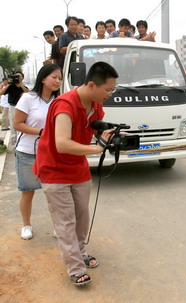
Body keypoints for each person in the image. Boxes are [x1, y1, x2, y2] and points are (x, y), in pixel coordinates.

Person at [33, 62, 118, 286]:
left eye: (113, 90)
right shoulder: (65, 104)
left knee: (82, 215)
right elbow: (61, 144)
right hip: (53, 169)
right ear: (91, 84)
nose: (110, 94)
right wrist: (97, 149)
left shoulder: (96, 104)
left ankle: (80, 251)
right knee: (65, 221)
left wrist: (113, 135)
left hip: (77, 167)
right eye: (108, 89)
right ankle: (74, 267)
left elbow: (93, 126)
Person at [13, 64, 62, 240]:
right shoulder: (28, 98)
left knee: (54, 192)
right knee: (28, 191)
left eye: (60, 78)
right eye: (54, 77)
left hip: (51, 153)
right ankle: (26, 225)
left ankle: (58, 226)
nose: (57, 81)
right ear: (43, 78)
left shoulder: (59, 101)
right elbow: (17, 124)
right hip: (27, 152)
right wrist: (42, 132)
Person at [0, 71, 29, 147]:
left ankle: (21, 144)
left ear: (22, 78)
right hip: (13, 107)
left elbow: (28, 93)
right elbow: (1, 93)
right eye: (16, 76)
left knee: (22, 125)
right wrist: (9, 84)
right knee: (13, 126)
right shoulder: (10, 86)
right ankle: (14, 146)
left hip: (22, 108)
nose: (17, 78)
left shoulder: (24, 87)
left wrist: (20, 85)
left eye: (19, 76)